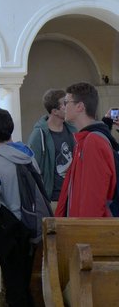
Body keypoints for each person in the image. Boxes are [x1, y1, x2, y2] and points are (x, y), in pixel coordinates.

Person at [0, 107, 49, 307]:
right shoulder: (29, 155)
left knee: (13, 288)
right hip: (34, 228)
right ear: (11, 127)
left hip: (12, 233)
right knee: (29, 282)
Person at [56, 81, 118, 217]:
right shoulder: (83, 140)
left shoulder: (93, 141)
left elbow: (93, 197)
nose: (63, 107)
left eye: (66, 102)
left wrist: (84, 228)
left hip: (86, 227)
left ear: (80, 106)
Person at [27, 88, 76, 207]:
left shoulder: (72, 130)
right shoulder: (39, 135)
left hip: (73, 196)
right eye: (65, 104)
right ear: (55, 111)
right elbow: (32, 169)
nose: (69, 106)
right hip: (53, 199)